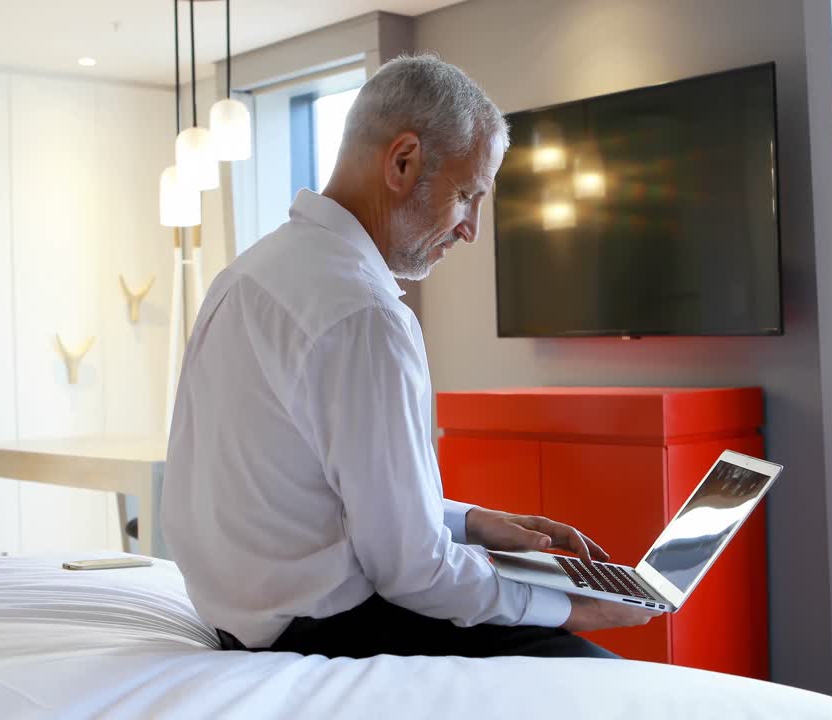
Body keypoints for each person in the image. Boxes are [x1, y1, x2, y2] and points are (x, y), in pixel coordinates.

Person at [161, 54, 657, 660]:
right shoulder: (363, 314)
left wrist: (470, 522)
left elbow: (311, 500)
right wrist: (575, 607)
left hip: (239, 619)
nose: (472, 229)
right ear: (402, 161)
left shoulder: (247, 275)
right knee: (605, 675)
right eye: (467, 196)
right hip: (330, 632)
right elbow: (414, 572)